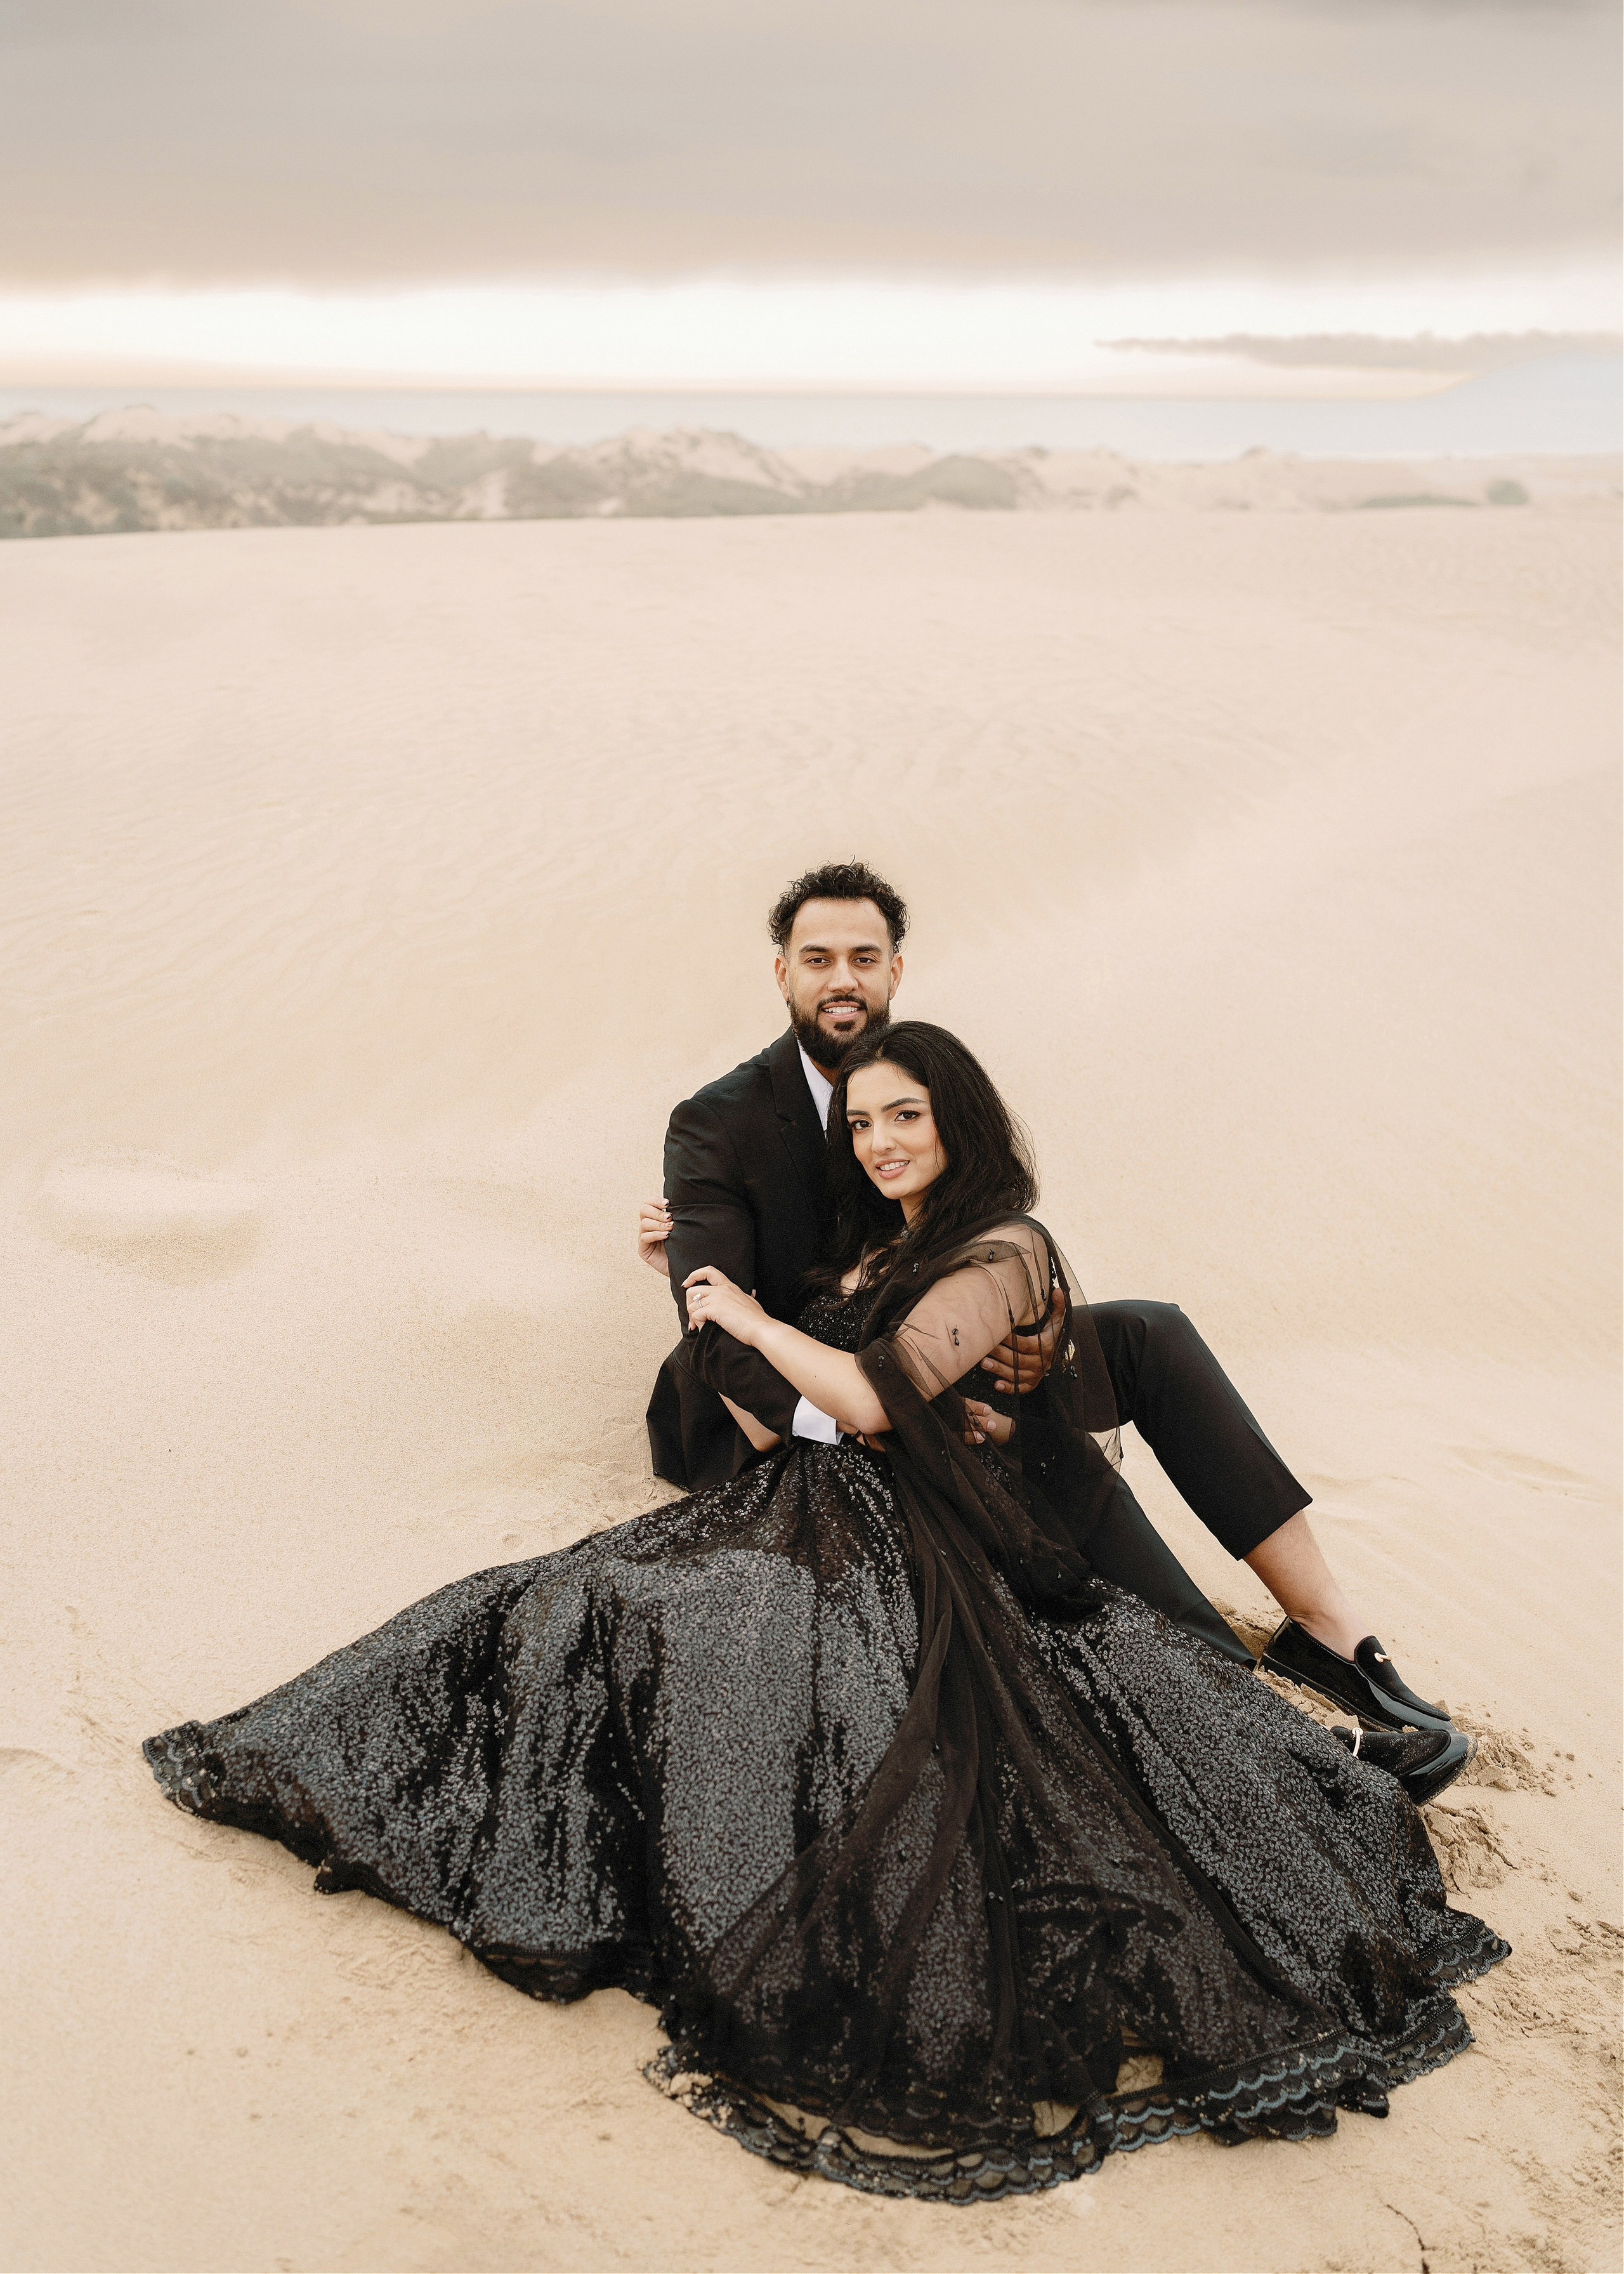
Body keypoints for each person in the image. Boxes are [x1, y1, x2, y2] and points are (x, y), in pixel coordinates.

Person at [145, 1020, 1503, 2203]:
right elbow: (781, 1405)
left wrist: (741, 1301)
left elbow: (863, 1401)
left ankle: (1328, 1672)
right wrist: (685, 1291)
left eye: (904, 1114)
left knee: (737, 1634)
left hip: (924, 1529)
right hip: (822, 1510)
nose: (879, 1139)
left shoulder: (1003, 1245)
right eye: (861, 1121)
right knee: (581, 1596)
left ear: (957, 1119)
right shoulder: (879, 1250)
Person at [640, 860, 1455, 1742]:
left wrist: (1044, 1335)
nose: (844, 979)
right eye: (819, 958)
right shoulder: (717, 1120)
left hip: (919, 1353)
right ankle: (1220, 1684)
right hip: (799, 1406)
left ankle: (1327, 1632)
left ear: (896, 972)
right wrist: (859, 1415)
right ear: (783, 974)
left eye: (866, 958)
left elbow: (960, 1243)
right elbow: (715, 1327)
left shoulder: (920, 1077)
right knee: (1013, 1422)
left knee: (1146, 1335)